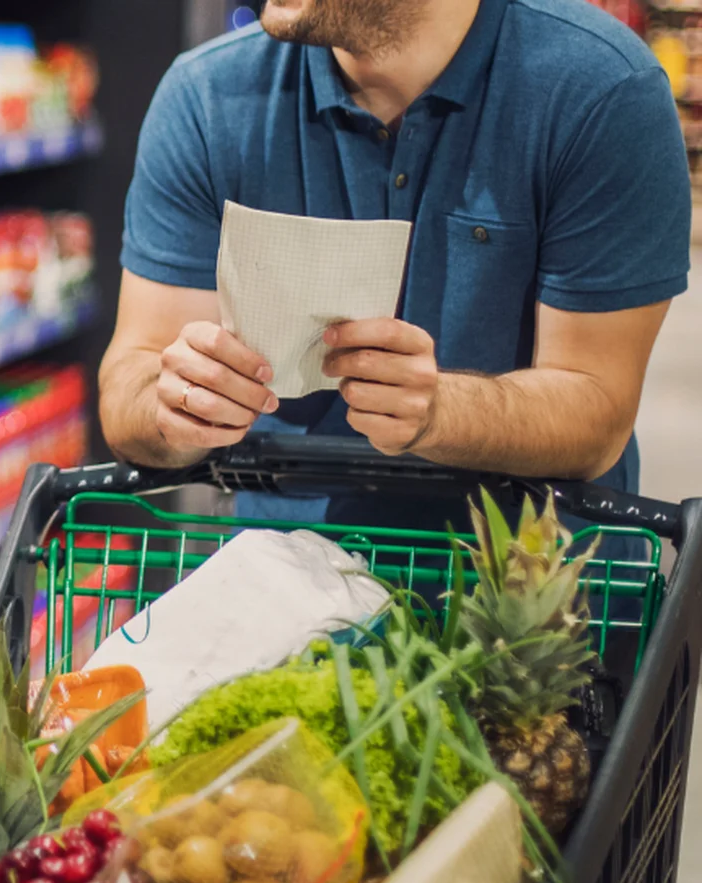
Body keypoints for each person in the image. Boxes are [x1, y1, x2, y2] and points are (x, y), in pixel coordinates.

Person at [99, 0, 691, 537]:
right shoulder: (207, 96)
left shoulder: (601, 89)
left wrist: (438, 411)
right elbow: (130, 385)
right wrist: (172, 405)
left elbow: (598, 411)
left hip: (533, 608)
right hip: (280, 600)